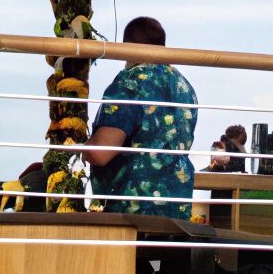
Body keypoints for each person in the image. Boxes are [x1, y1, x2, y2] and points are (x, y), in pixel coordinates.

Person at [78, 16, 198, 219]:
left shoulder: (131, 83)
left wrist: (81, 149)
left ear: (128, 47)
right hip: (176, 208)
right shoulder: (184, 86)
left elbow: (101, 153)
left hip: (132, 209)